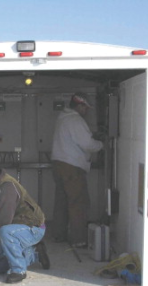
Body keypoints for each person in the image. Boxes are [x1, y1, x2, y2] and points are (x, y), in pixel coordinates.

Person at [51, 92, 104, 247]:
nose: (86, 111)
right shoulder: (75, 120)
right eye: (85, 108)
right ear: (80, 106)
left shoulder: (63, 119)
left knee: (61, 202)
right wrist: (101, 145)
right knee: (78, 202)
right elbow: (87, 144)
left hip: (58, 164)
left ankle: (58, 235)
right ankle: (79, 239)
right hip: (71, 167)